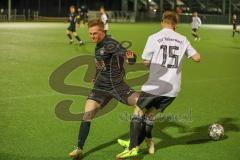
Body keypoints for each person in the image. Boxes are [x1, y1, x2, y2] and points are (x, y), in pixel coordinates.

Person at [116, 11, 201, 159]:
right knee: (149, 116)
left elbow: (146, 61)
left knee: (138, 112)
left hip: (155, 85)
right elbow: (197, 58)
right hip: (172, 90)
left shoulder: (154, 37)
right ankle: (140, 142)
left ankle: (132, 148)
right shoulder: (183, 39)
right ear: (175, 25)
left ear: (162, 22)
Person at [69, 19, 139, 159]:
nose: (92, 36)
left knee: (141, 103)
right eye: (90, 34)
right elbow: (100, 64)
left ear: (103, 32)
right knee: (87, 114)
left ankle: (136, 143)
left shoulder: (111, 44)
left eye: (95, 33)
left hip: (117, 86)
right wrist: (96, 76)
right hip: (100, 87)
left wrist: (130, 60)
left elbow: (130, 56)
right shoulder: (98, 45)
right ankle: (79, 149)